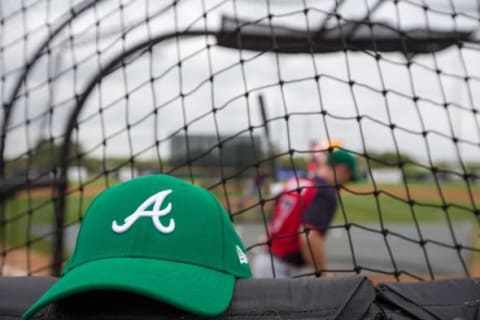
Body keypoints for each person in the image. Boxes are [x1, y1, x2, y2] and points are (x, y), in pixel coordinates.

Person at [253, 148, 359, 278]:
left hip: (265, 260)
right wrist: (323, 273)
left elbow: (272, 207)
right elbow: (309, 234)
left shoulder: (297, 180)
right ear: (342, 169)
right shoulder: (325, 191)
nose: (345, 183)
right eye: (348, 177)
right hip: (283, 270)